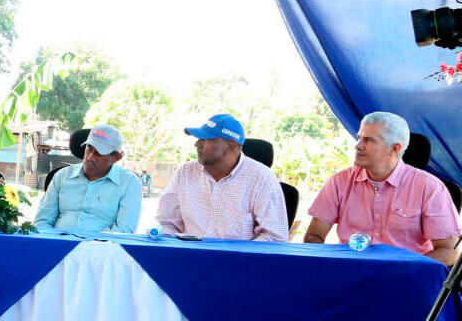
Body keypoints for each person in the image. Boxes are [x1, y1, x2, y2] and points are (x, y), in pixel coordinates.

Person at [304, 112, 460, 265]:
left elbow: (449, 252)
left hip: (406, 275)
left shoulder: (430, 187)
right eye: (359, 138)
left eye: (368, 140)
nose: (358, 145)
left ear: (395, 148)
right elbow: (314, 236)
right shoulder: (339, 182)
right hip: (351, 271)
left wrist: (406, 270)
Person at [157, 113, 288, 241]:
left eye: (205, 139)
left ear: (231, 145)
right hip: (189, 253)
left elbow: (273, 238)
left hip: (238, 255)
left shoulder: (262, 179)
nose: (197, 144)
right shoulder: (186, 172)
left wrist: (234, 255)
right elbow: (166, 223)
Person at [35, 124, 141, 233]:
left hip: (102, 243)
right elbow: (42, 221)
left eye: (99, 153)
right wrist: (51, 240)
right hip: (56, 240)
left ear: (116, 158)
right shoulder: (62, 176)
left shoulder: (128, 182)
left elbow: (124, 230)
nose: (90, 157)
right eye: (89, 148)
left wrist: (92, 242)